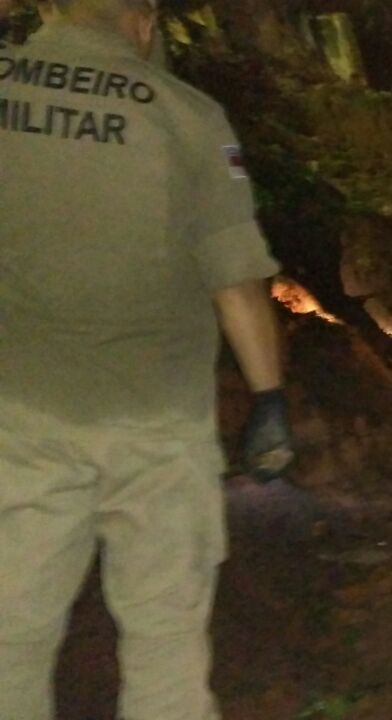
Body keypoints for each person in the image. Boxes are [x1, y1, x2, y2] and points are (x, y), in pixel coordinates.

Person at [0, 2, 291, 718]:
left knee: (10, 631)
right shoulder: (186, 116)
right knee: (164, 637)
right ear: (145, 19)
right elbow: (236, 287)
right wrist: (270, 404)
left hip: (22, 417)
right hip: (157, 430)